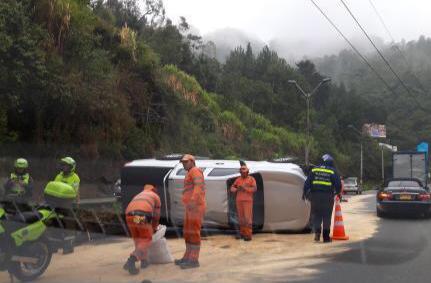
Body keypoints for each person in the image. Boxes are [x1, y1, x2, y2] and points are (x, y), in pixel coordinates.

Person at [175, 154, 206, 269]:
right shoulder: (190, 172)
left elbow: (198, 187)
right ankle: (187, 257)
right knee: (187, 232)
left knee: (193, 232)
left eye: (186, 162)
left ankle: (193, 260)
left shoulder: (195, 171)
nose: (184, 164)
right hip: (191, 207)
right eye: (183, 162)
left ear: (192, 162)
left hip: (195, 206)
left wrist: (192, 201)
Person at [123, 184, 161, 275]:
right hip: (140, 216)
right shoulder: (155, 196)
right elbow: (156, 216)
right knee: (146, 238)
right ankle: (132, 259)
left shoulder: (139, 194)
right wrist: (154, 228)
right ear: (154, 190)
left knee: (138, 239)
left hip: (129, 216)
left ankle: (144, 261)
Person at [303, 154, 342, 243]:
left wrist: (305, 194)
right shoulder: (332, 171)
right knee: (326, 216)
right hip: (327, 197)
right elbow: (338, 184)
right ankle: (326, 237)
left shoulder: (314, 170)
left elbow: (307, 184)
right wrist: (338, 192)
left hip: (315, 196)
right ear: (330, 162)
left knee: (317, 215)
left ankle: (317, 234)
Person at [230, 160, 257, 241]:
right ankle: (242, 233)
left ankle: (248, 235)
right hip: (239, 201)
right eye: (241, 171)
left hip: (248, 201)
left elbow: (254, 189)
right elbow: (232, 188)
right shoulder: (238, 179)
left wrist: (245, 188)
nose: (242, 173)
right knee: (241, 218)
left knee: (247, 218)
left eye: (244, 171)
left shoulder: (251, 179)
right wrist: (236, 189)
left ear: (247, 172)